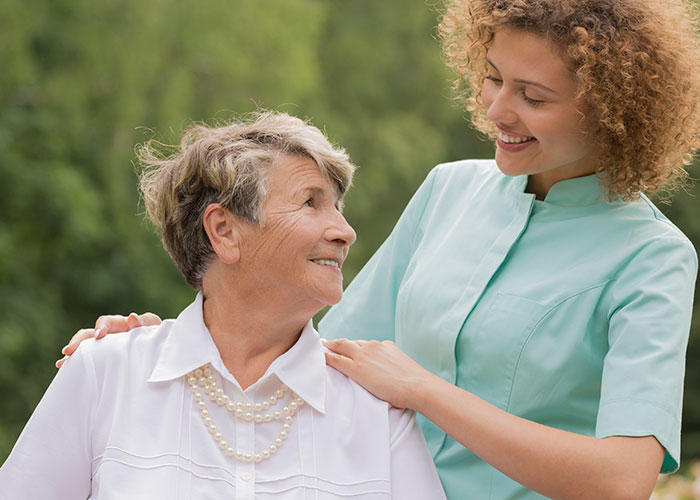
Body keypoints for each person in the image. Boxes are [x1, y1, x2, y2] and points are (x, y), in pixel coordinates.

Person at [56, 0, 700, 498]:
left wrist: (424, 391)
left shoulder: (653, 259)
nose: (497, 109)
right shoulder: (448, 190)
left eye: (533, 97)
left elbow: (622, 480)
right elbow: (322, 357)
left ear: (613, 110)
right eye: (494, 78)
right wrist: (158, 349)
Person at [0, 112, 446, 499]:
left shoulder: (378, 413)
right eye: (311, 202)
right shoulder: (106, 374)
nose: (344, 231)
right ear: (224, 230)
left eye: (338, 207)